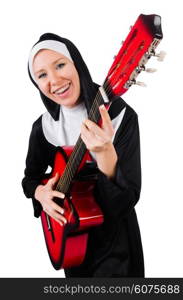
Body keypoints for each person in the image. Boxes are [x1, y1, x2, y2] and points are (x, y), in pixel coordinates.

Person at [22, 32, 144, 277]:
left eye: (60, 65)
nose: (54, 80)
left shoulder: (120, 115)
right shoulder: (43, 127)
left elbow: (126, 200)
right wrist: (40, 194)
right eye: (42, 75)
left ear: (76, 63)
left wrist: (105, 153)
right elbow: (29, 179)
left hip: (117, 251)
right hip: (71, 245)